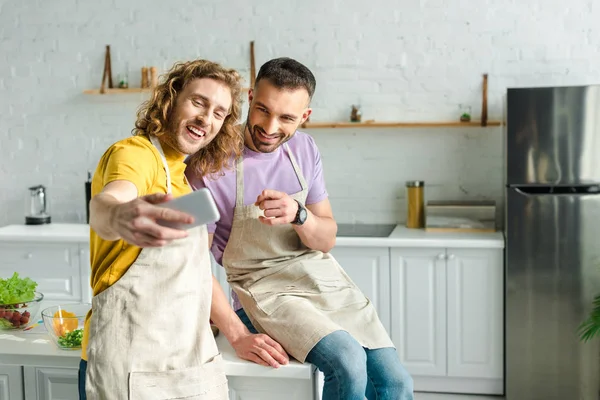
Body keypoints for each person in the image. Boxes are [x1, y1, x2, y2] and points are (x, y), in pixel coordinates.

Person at [186, 57, 414, 400]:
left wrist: (299, 214)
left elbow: (327, 239)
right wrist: (234, 332)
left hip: (319, 281)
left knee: (396, 384)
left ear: (304, 117)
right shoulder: (205, 163)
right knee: (348, 362)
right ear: (249, 97)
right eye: (262, 110)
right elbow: (192, 263)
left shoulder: (305, 149)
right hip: (261, 292)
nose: (270, 126)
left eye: (287, 118)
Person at [80, 59, 287, 400]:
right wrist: (119, 217)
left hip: (183, 361)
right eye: (198, 102)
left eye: (219, 113)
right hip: (128, 363)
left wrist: (237, 334)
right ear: (171, 99)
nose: (207, 119)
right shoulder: (134, 155)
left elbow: (197, 273)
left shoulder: (186, 181)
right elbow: (107, 205)